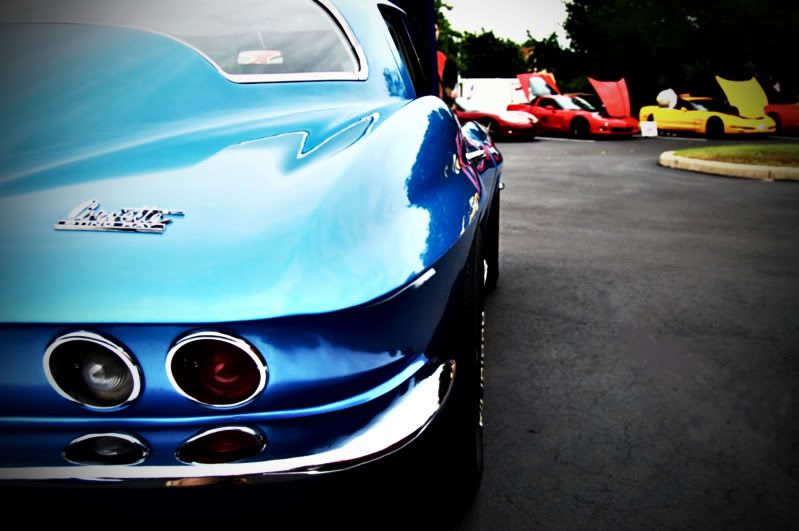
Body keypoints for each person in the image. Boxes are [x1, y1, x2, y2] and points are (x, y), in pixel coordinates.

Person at [435, 23, 458, 110]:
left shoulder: (442, 57)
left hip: (442, 105)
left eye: (436, 30)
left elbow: (448, 87)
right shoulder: (417, 56)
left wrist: (450, 101)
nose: (434, 33)